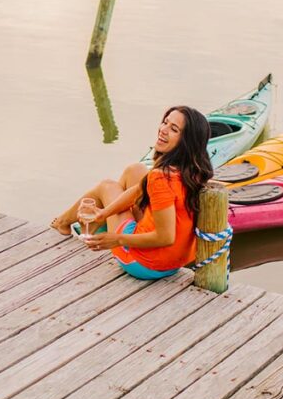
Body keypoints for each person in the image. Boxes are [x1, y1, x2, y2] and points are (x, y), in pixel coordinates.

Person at [50, 106, 213, 279]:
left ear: (186, 141)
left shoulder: (161, 177)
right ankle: (99, 220)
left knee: (107, 186)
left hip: (143, 263)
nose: (163, 130)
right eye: (165, 122)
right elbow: (139, 189)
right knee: (135, 170)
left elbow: (166, 237)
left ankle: (63, 223)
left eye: (174, 129)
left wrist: (117, 239)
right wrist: (104, 212)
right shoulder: (192, 170)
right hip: (173, 263)